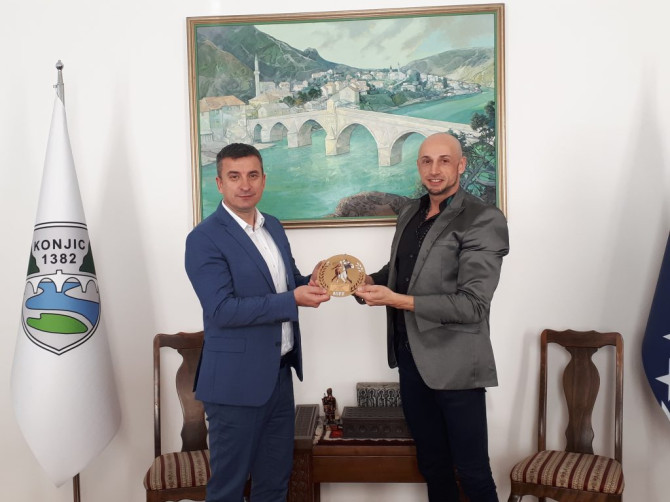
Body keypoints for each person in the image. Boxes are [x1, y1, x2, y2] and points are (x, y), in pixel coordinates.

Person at [355, 132, 509, 502]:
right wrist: (367, 282)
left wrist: (398, 300)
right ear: (419, 165)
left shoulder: (483, 218)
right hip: (410, 361)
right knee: (433, 467)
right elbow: (401, 271)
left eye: (444, 160)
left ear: (461, 165)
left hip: (456, 365)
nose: (434, 169)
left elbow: (473, 304)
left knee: (472, 473)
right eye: (426, 161)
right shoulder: (410, 211)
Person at [185, 143, 330, 502]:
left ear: (264, 180)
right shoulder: (203, 238)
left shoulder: (273, 227)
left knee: (274, 485)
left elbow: (286, 285)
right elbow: (222, 310)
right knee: (228, 490)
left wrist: (314, 281)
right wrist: (292, 300)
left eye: (252, 175)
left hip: (279, 378)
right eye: (234, 176)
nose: (245, 185)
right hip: (234, 384)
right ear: (219, 183)